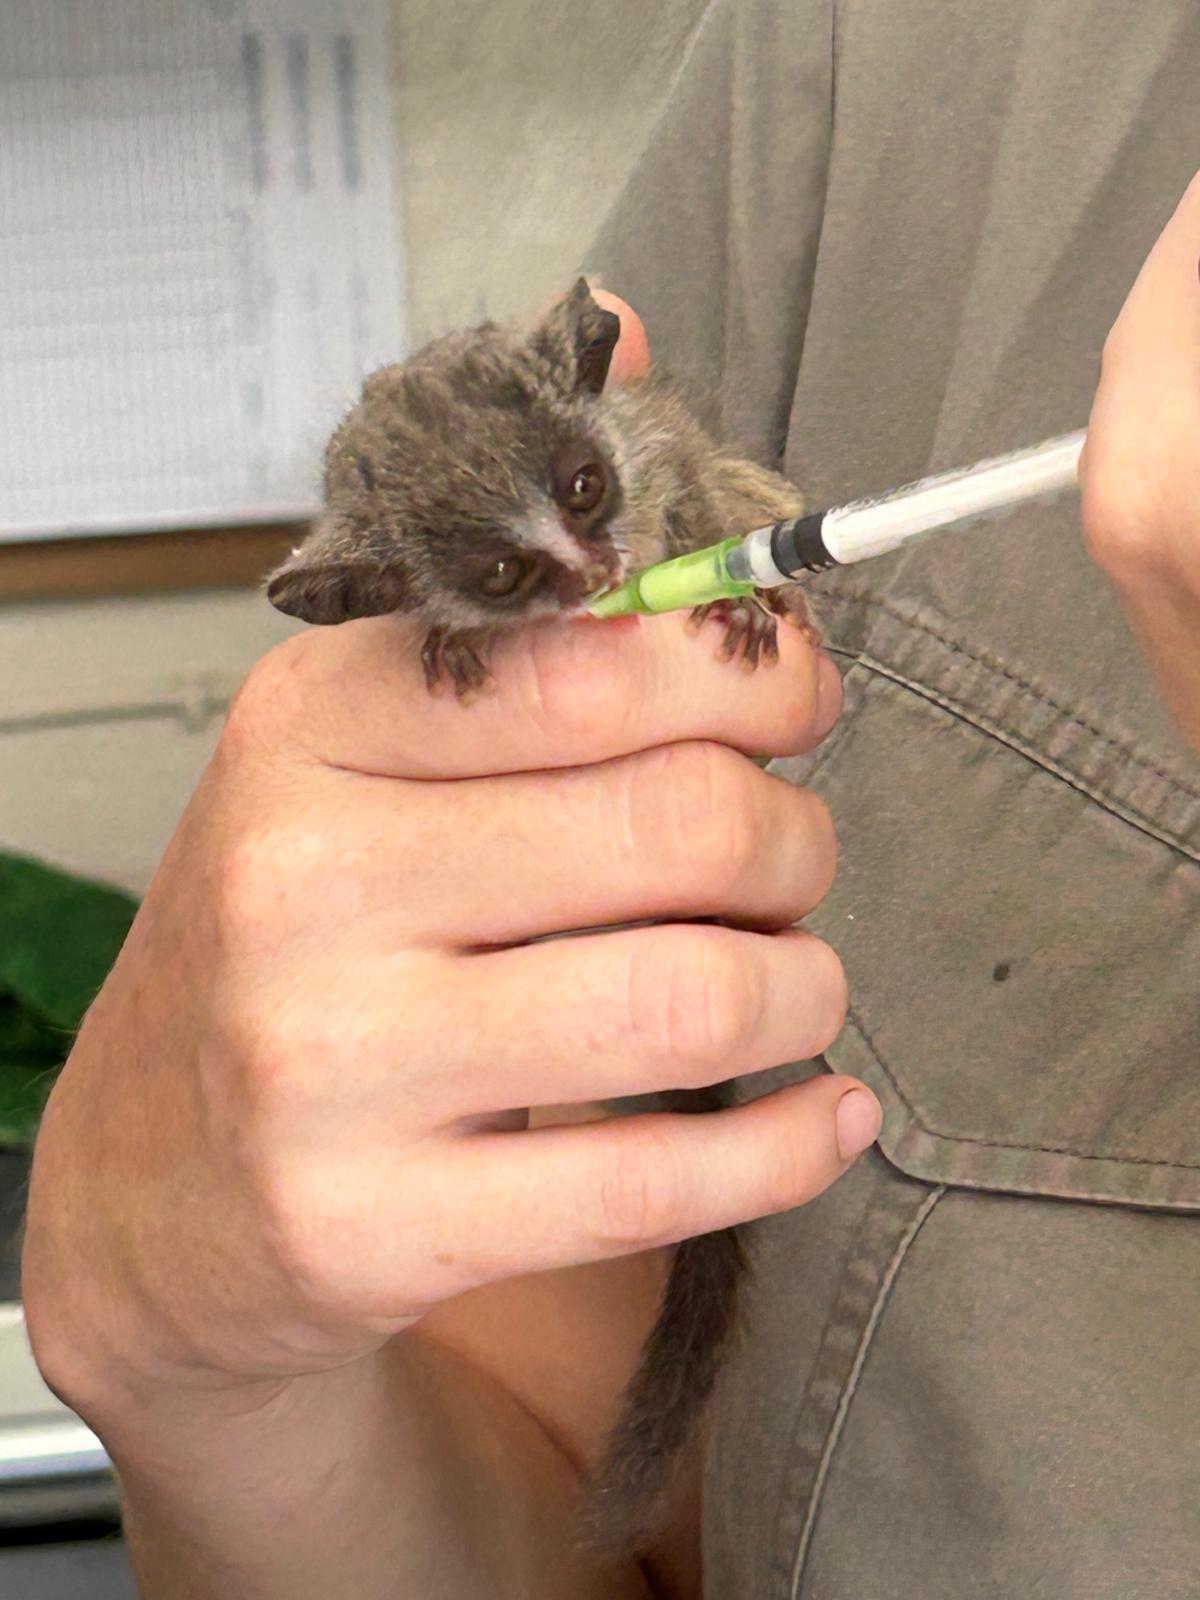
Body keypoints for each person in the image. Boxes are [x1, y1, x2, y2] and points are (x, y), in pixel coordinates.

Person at [22, 3, 1200, 1596]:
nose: (585, 574)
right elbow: (560, 1474)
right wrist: (181, 1364)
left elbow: (724, 504)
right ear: (397, 598)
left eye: (582, 503)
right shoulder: (871, 59)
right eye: (517, 575)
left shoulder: (652, 428)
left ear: (581, 400)